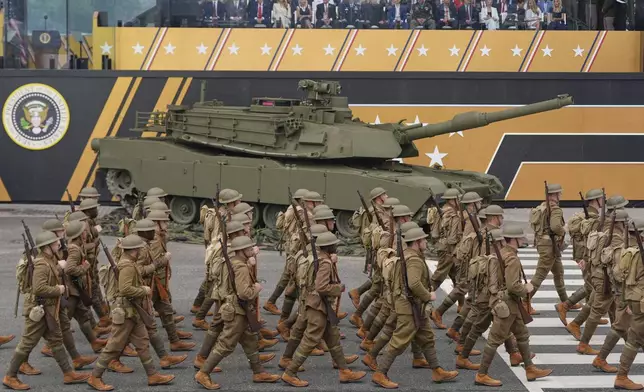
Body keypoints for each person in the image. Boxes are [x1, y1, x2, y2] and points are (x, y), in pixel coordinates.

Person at [372, 227, 458, 388]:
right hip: (409, 305)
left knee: (426, 337)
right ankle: (380, 373)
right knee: (400, 339)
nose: (426, 242)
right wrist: (428, 295)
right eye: (423, 240)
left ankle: (437, 370)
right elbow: (414, 283)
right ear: (417, 242)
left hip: (413, 305)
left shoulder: (408, 256)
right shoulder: (414, 260)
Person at [3, 231, 90, 390]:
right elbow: (39, 288)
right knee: (27, 344)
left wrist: (60, 269)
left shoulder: (49, 260)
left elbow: (51, 275)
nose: (59, 243)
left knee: (56, 340)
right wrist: (59, 289)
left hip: (50, 308)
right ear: (47, 246)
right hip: (41, 309)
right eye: (55, 242)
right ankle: (10, 376)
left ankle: (68, 373)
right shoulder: (42, 264)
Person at [87, 234, 175, 391]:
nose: (142, 251)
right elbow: (125, 289)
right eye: (140, 249)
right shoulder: (127, 266)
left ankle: (152, 375)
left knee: (142, 343)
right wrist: (143, 290)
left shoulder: (130, 263)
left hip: (133, 311)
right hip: (126, 312)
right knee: (113, 346)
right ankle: (95, 376)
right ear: (134, 250)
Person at [281, 231, 366, 387]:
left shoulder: (315, 258)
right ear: (329, 247)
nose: (336, 246)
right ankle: (290, 372)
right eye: (334, 244)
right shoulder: (325, 262)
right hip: (318, 306)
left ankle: (345, 371)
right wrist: (337, 288)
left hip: (315, 304)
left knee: (333, 338)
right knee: (310, 340)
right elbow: (321, 287)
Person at [195, 236, 280, 389]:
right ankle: (203, 372)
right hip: (237, 310)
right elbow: (244, 293)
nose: (251, 251)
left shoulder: (231, 263)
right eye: (248, 249)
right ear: (241, 251)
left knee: (249, 341)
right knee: (226, 344)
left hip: (235, 307)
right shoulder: (240, 267)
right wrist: (256, 288)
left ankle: (258, 372)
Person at [475, 225, 552, 386]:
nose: (523, 239)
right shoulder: (512, 258)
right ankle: (481, 374)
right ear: (515, 239)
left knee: (522, 334)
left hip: (510, 304)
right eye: (521, 237)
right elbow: (512, 286)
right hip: (507, 304)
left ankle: (530, 369)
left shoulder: (502, 253)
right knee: (495, 339)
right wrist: (527, 289)